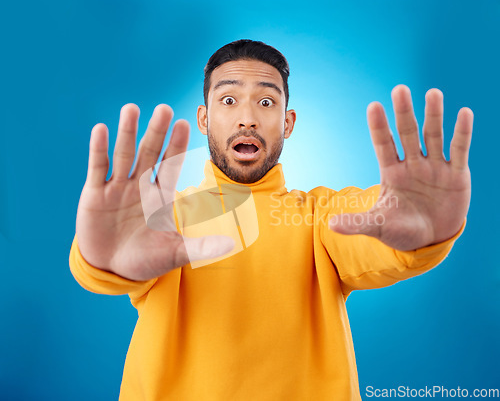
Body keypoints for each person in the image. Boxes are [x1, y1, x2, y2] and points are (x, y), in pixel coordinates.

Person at [69, 39, 473, 400]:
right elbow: (107, 262)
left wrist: (426, 230)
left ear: (288, 122)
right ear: (204, 119)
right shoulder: (162, 220)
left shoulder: (319, 217)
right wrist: (101, 258)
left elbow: (367, 226)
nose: (248, 118)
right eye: (228, 101)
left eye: (266, 102)